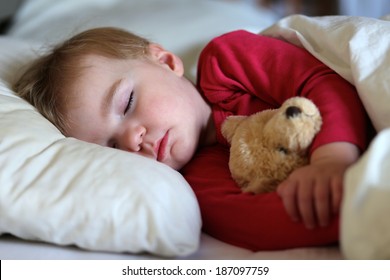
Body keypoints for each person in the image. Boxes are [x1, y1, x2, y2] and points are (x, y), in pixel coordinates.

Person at [14, 27, 372, 251]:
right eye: (112, 147)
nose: (133, 140)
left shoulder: (228, 62)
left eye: (127, 103)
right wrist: (356, 206)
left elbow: (319, 80)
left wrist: (334, 158)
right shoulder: (197, 185)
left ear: (166, 62)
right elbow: (258, 224)